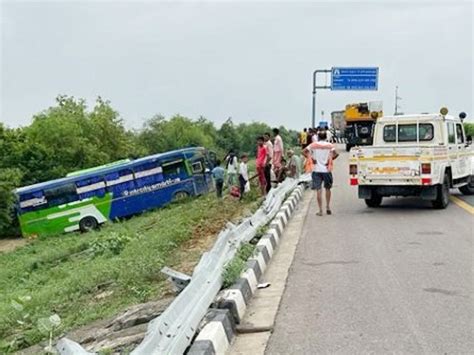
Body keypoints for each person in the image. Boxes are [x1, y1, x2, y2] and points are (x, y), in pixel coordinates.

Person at [305, 130, 339, 216]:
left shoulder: (314, 145)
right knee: (328, 188)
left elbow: (304, 151)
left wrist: (311, 159)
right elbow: (336, 154)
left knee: (318, 190)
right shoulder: (330, 145)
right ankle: (327, 207)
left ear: (318, 137)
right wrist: (330, 160)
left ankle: (320, 210)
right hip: (326, 170)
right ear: (326, 137)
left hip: (316, 170)